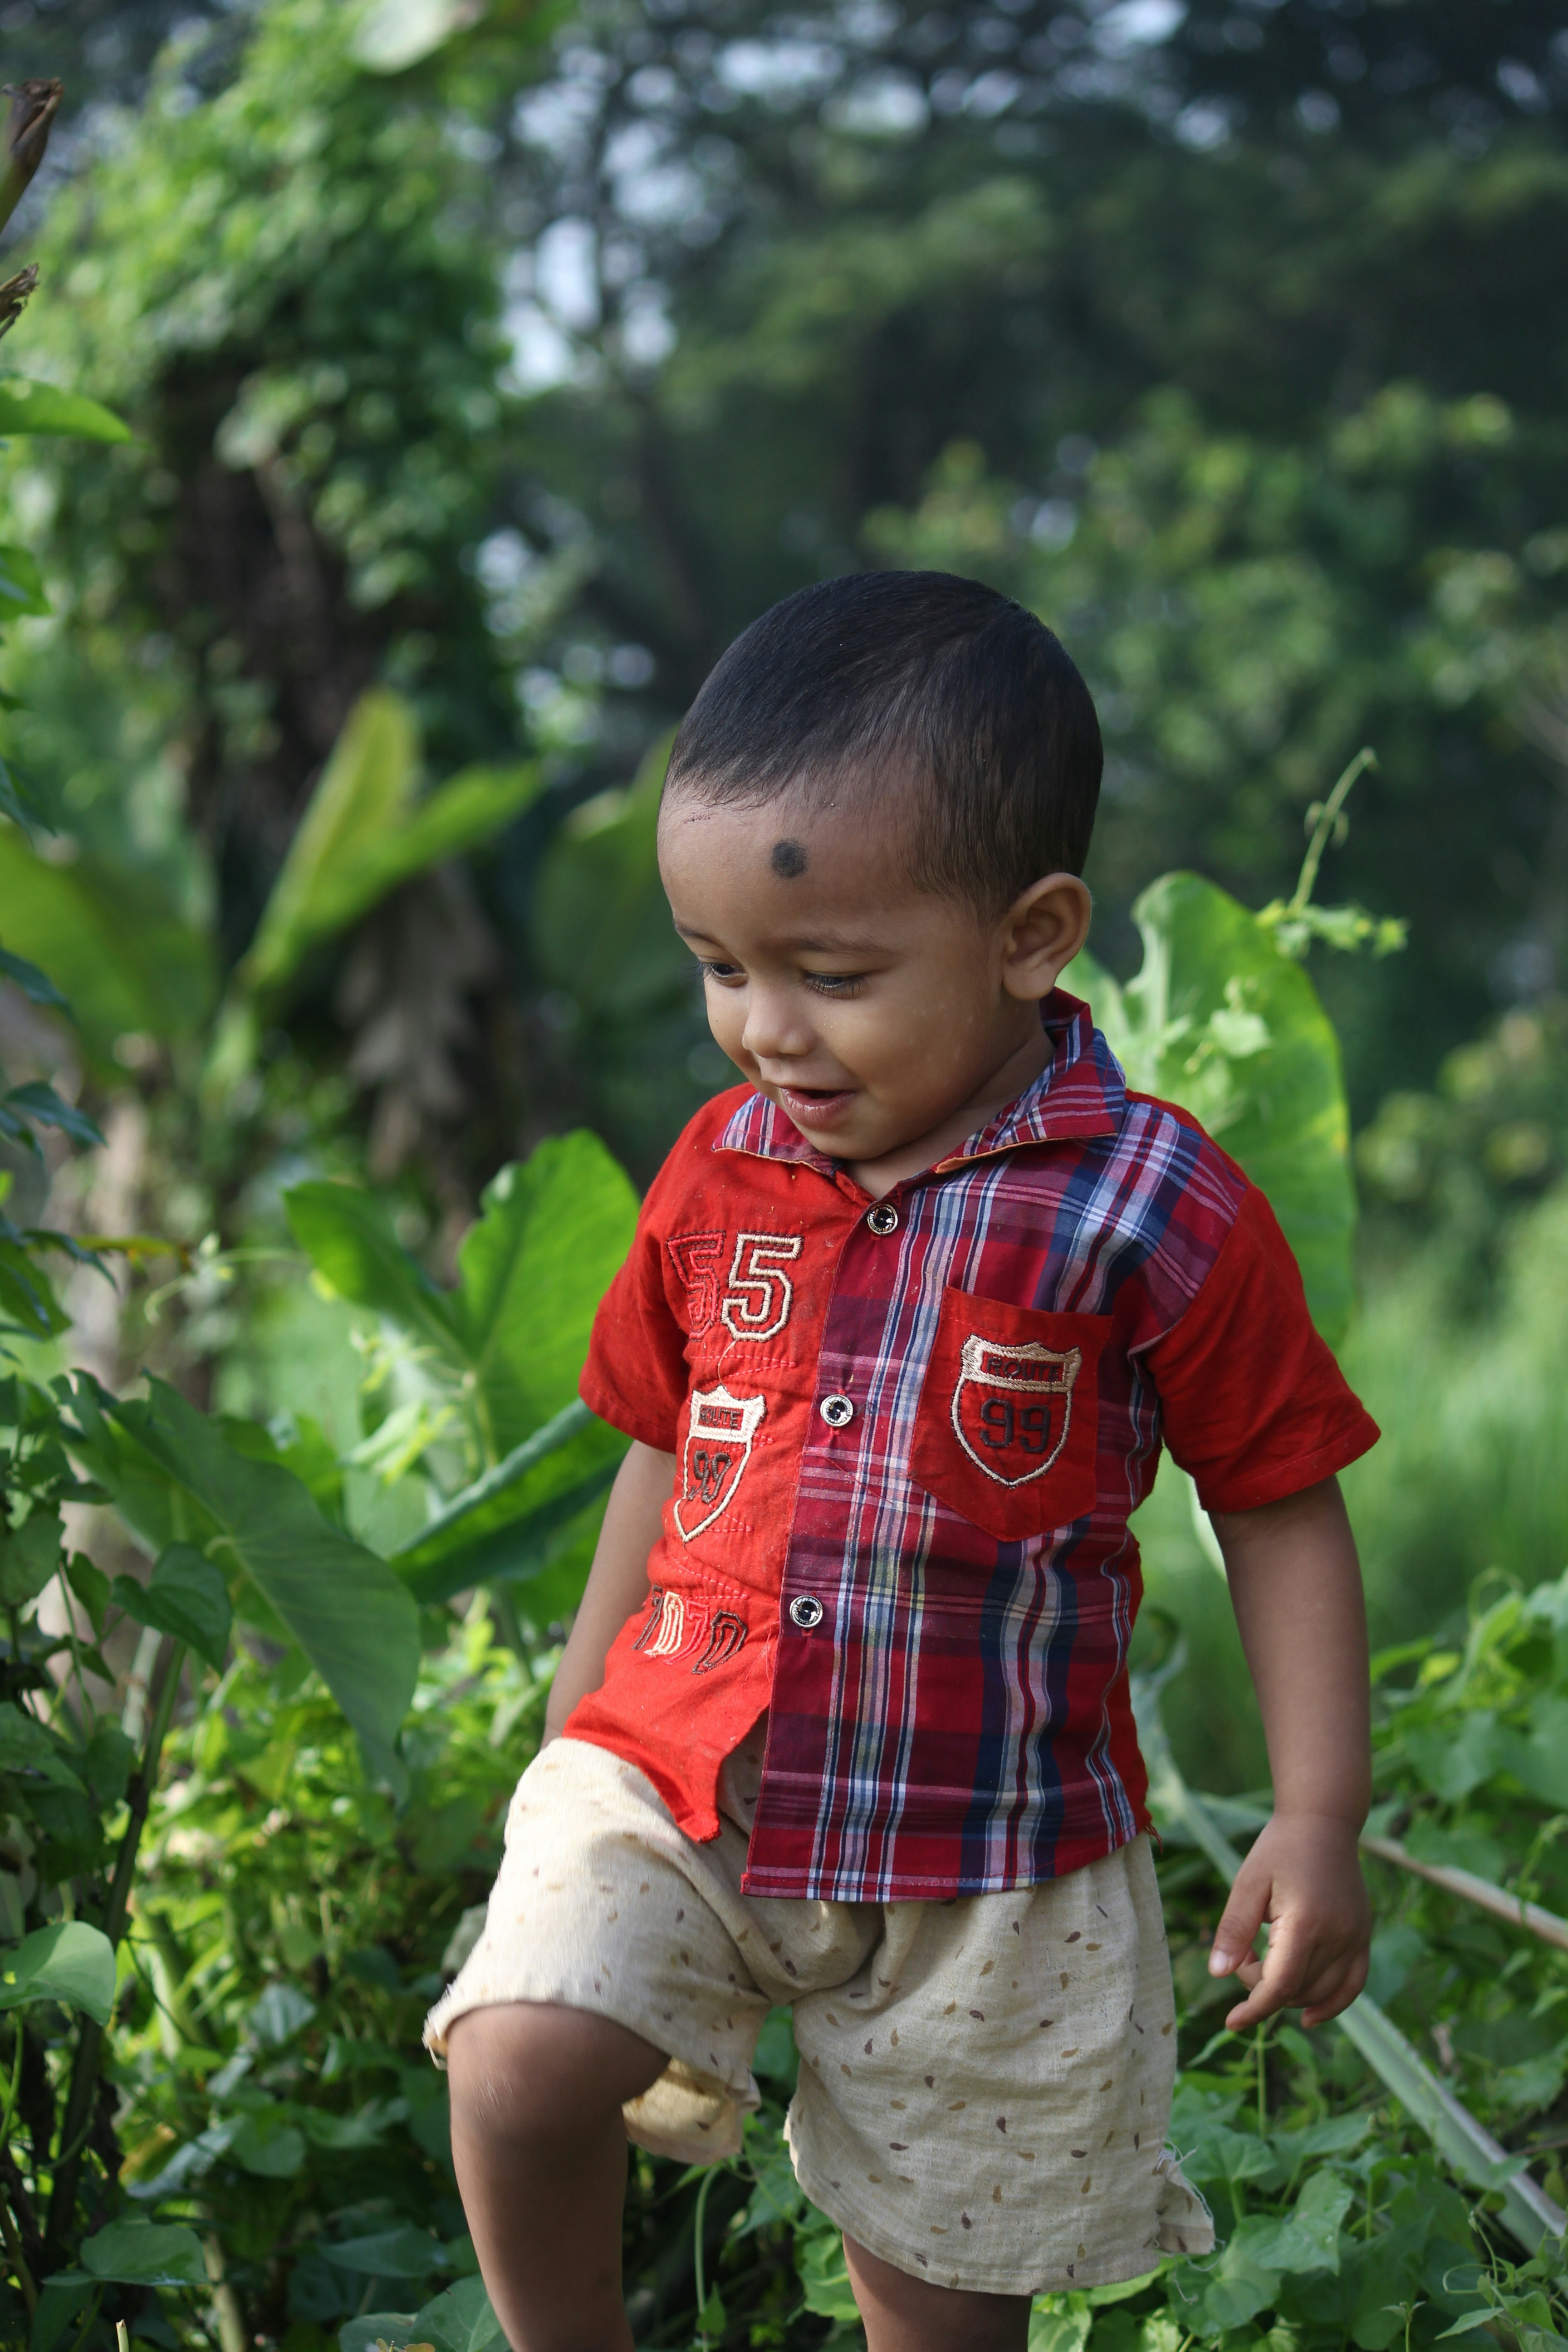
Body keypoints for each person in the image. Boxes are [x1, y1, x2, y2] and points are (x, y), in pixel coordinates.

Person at [426, 571, 1378, 2352]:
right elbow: (662, 1444)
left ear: (1034, 935)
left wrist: (1319, 1819)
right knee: (519, 2056)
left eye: (831, 975)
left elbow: (1278, 1500)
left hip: (991, 1857)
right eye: (721, 970)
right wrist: (573, 1740)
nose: (766, 1031)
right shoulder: (718, 1167)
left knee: (936, 2311)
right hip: (685, 1764)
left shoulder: (1146, 1208)